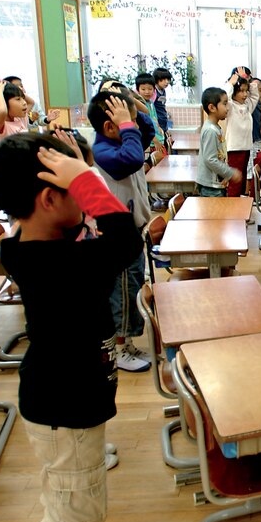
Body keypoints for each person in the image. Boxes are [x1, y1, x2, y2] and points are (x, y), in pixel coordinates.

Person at [0, 132, 140, 522]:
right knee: (71, 517)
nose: (87, 200)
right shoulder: (64, 264)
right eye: (79, 190)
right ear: (51, 201)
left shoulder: (27, 248)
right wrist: (86, 177)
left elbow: (100, 237)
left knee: (74, 494)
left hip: (63, 401)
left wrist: (76, 176)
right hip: (65, 408)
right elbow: (125, 242)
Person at [88, 91, 151, 373]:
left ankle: (128, 343)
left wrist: (133, 106)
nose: (134, 128)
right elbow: (133, 159)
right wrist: (128, 125)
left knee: (133, 288)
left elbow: (148, 129)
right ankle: (120, 348)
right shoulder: (103, 151)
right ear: (109, 127)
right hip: (117, 240)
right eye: (127, 123)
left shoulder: (126, 139)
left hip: (132, 233)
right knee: (124, 294)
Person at [197, 87, 241, 197]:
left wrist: (225, 175)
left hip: (216, 183)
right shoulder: (210, 131)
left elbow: (220, 155)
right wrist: (230, 173)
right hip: (210, 187)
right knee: (214, 214)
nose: (227, 108)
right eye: (225, 104)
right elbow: (210, 159)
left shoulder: (216, 128)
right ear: (212, 107)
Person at [224, 66, 260, 198]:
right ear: (234, 92)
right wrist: (230, 83)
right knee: (235, 180)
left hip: (246, 148)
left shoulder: (246, 106)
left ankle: (238, 208)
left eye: (246, 91)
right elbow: (224, 97)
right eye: (241, 91)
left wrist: (247, 80)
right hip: (234, 149)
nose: (245, 94)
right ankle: (233, 207)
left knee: (242, 179)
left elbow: (255, 96)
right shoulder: (230, 106)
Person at [0, 79, 29, 147]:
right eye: (18, 99)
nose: (24, 103)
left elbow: (31, 102)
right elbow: (2, 111)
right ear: (4, 102)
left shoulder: (19, 118)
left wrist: (14, 88)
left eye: (23, 98)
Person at [152, 67, 172, 137]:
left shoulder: (163, 91)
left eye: (168, 79)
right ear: (157, 79)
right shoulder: (153, 91)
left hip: (163, 121)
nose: (167, 82)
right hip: (157, 123)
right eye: (164, 79)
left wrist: (166, 128)